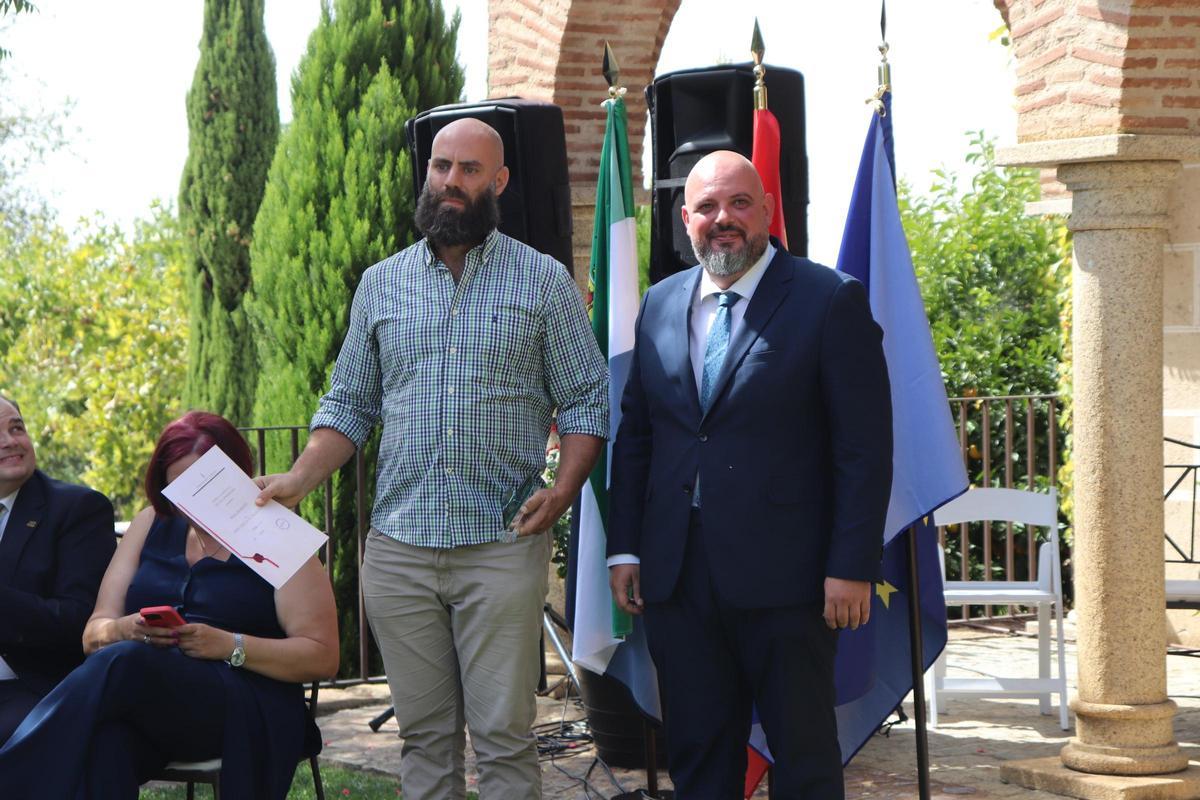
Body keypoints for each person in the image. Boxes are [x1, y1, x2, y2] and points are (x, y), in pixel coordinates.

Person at [255, 117, 608, 799]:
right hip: (399, 552)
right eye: (442, 166)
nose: (451, 182)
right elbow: (349, 404)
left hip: (500, 546)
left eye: (470, 170)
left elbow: (588, 402)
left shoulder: (542, 282)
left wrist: (561, 493)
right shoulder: (380, 285)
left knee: (504, 737)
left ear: (498, 181)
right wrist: (298, 480)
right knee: (425, 740)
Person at [607, 151, 893, 799]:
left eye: (739, 203)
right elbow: (639, 438)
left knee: (805, 760)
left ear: (766, 209)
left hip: (790, 583)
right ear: (686, 220)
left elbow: (864, 449)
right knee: (699, 757)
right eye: (707, 207)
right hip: (679, 579)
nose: (723, 219)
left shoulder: (829, 300)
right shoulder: (657, 305)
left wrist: (850, 564)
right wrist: (626, 546)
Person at [0, 411, 339, 799]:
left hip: (244, 704)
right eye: (179, 490)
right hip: (154, 701)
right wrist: (128, 628)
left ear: (238, 475)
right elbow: (94, 634)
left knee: (125, 661)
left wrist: (231, 645)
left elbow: (323, 657)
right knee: (107, 744)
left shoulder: (277, 535)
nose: (192, 504)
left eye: (205, 486)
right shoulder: (150, 524)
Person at [0, 394, 115, 745]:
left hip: (34, 685)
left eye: (15, 428)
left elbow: (79, 620)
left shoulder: (77, 509)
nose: (9, 442)